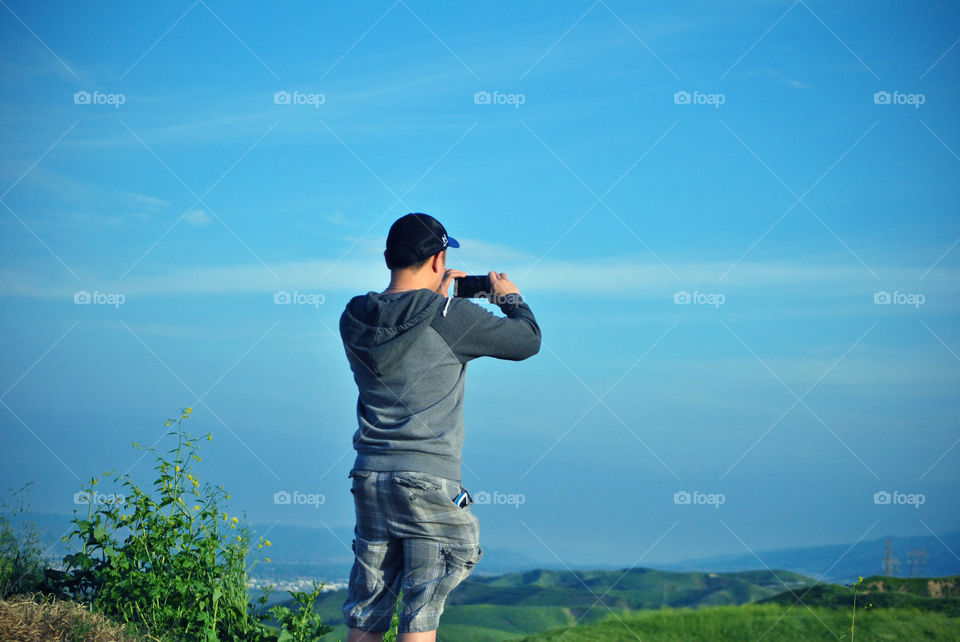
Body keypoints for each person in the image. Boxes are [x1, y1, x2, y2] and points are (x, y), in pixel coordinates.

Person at [339, 212, 541, 641]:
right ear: (438, 260)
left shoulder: (354, 316)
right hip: (426, 478)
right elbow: (527, 341)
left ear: (388, 258)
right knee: (421, 613)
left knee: (367, 611)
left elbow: (401, 317)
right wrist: (509, 298)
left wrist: (438, 299)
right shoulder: (450, 316)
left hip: (370, 475)